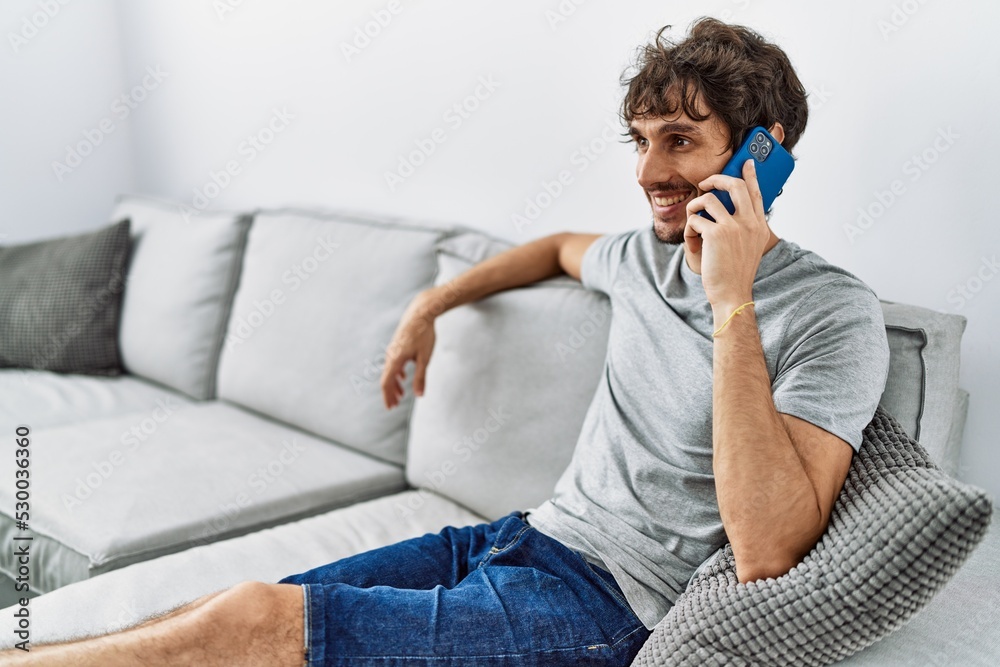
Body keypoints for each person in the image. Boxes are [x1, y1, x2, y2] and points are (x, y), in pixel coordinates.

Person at [3, 17, 888, 667]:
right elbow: (550, 250)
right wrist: (431, 299)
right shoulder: (638, 260)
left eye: (681, 143)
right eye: (643, 142)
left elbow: (769, 545)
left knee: (249, 628)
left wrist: (731, 300)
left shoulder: (830, 313)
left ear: (760, 157)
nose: (649, 173)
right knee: (241, 609)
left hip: (608, 605)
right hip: (520, 539)